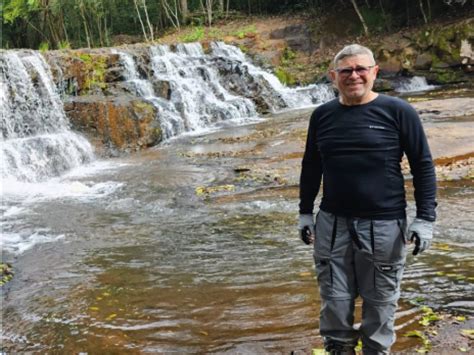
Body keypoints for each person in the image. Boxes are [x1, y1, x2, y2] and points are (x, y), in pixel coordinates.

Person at [298, 44, 437, 355]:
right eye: (346, 70)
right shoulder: (322, 116)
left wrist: (425, 218)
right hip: (332, 224)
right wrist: (305, 212)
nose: (354, 75)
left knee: (380, 304)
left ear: (375, 72)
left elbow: (422, 165)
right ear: (333, 76)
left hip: (385, 225)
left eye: (361, 68)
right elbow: (311, 166)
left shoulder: (398, 111)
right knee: (334, 301)